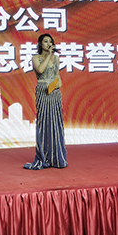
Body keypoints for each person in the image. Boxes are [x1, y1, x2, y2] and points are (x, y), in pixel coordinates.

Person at [24, 33, 68, 170]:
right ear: (40, 44)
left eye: (50, 41)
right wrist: (48, 55)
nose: (48, 44)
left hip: (54, 91)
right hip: (42, 91)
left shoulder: (56, 58)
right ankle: (44, 156)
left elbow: (57, 76)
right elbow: (40, 70)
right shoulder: (36, 58)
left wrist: (56, 85)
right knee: (44, 123)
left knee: (56, 123)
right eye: (45, 41)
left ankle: (56, 157)